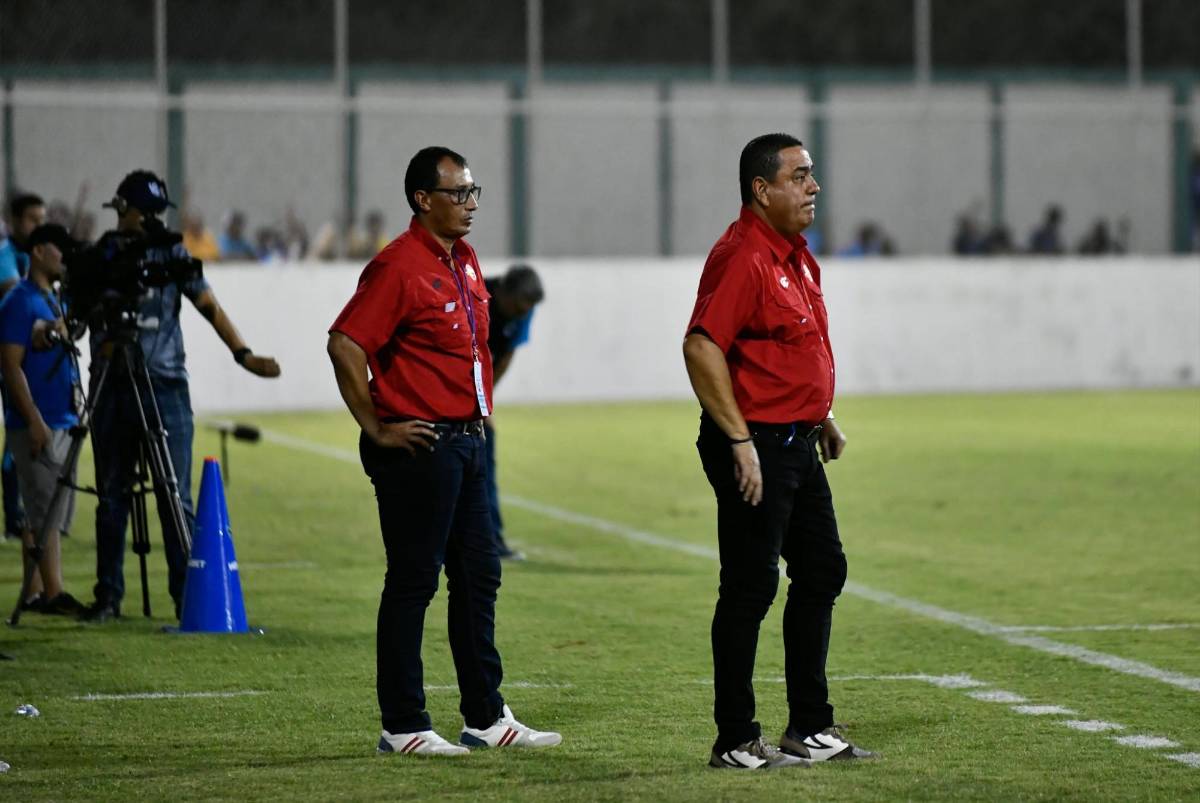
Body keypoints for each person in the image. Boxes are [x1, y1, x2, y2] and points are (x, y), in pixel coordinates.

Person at [327, 145, 560, 757]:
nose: (470, 203)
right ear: (422, 199)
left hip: (468, 441)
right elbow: (345, 344)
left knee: (479, 576)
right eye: (458, 193)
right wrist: (378, 427)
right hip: (421, 444)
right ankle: (403, 724)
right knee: (413, 583)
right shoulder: (397, 266)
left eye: (473, 192)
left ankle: (486, 716)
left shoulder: (466, 259)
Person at [682, 133, 875, 770]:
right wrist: (740, 441)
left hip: (797, 440)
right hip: (758, 444)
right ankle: (735, 738)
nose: (813, 186)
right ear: (762, 190)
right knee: (750, 586)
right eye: (799, 176)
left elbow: (792, 349)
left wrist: (822, 415)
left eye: (811, 174)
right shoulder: (745, 256)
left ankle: (808, 727)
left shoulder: (794, 254)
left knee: (821, 570)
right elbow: (701, 347)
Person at [81, 170, 281, 622]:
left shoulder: (173, 254)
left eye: (158, 213)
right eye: (146, 212)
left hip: (165, 383)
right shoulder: (102, 257)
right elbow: (78, 311)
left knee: (175, 495)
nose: (153, 221)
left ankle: (187, 597)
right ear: (123, 210)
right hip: (113, 384)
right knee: (112, 494)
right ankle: (108, 597)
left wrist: (243, 355)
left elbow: (208, 305)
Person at [0, 224, 85, 615]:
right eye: (59, 248)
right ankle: (54, 594)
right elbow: (10, 365)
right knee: (45, 509)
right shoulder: (19, 301)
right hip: (39, 420)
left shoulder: (53, 300)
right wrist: (32, 418)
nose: (64, 256)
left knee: (44, 511)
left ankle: (34, 592)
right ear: (37, 251)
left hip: (61, 417)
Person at [482, 264, 544, 560]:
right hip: (446, 386)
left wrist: (483, 403)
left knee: (484, 464)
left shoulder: (523, 310)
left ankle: (491, 540)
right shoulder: (474, 297)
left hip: (474, 392)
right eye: (519, 307)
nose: (524, 314)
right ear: (503, 293)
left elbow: (506, 356)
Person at [0, 193, 44, 543]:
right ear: (13, 220)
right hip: (8, 357)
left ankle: (25, 517)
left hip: (25, 359)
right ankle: (14, 518)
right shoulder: (5, 255)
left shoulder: (35, 255)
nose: (38, 226)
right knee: (17, 433)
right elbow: (16, 292)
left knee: (25, 432)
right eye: (32, 219)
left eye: (42, 219)